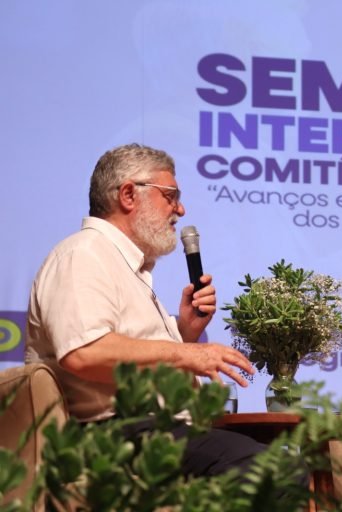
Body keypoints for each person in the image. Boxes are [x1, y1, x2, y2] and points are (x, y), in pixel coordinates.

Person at [25, 143, 264, 478]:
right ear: (127, 195)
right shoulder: (83, 254)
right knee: (270, 470)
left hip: (148, 432)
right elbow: (84, 352)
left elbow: (128, 350)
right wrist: (188, 355)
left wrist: (185, 331)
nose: (180, 210)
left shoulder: (125, 267)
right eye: (170, 195)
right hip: (112, 436)